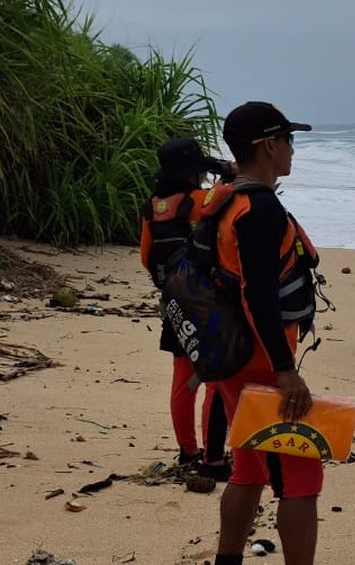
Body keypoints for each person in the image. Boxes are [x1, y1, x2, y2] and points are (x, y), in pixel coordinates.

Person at [212, 102, 321, 565]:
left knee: (248, 470)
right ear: (269, 145)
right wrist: (284, 370)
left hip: (229, 354)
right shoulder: (258, 210)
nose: (293, 150)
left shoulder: (226, 200)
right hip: (259, 363)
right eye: (289, 140)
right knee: (300, 478)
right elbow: (258, 295)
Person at [139, 137, 231, 481]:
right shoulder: (198, 200)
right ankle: (213, 455)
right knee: (215, 382)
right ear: (194, 173)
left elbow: (146, 257)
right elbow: (226, 195)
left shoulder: (153, 206)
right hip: (206, 302)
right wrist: (228, 174)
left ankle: (187, 448)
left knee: (183, 380)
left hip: (174, 301)